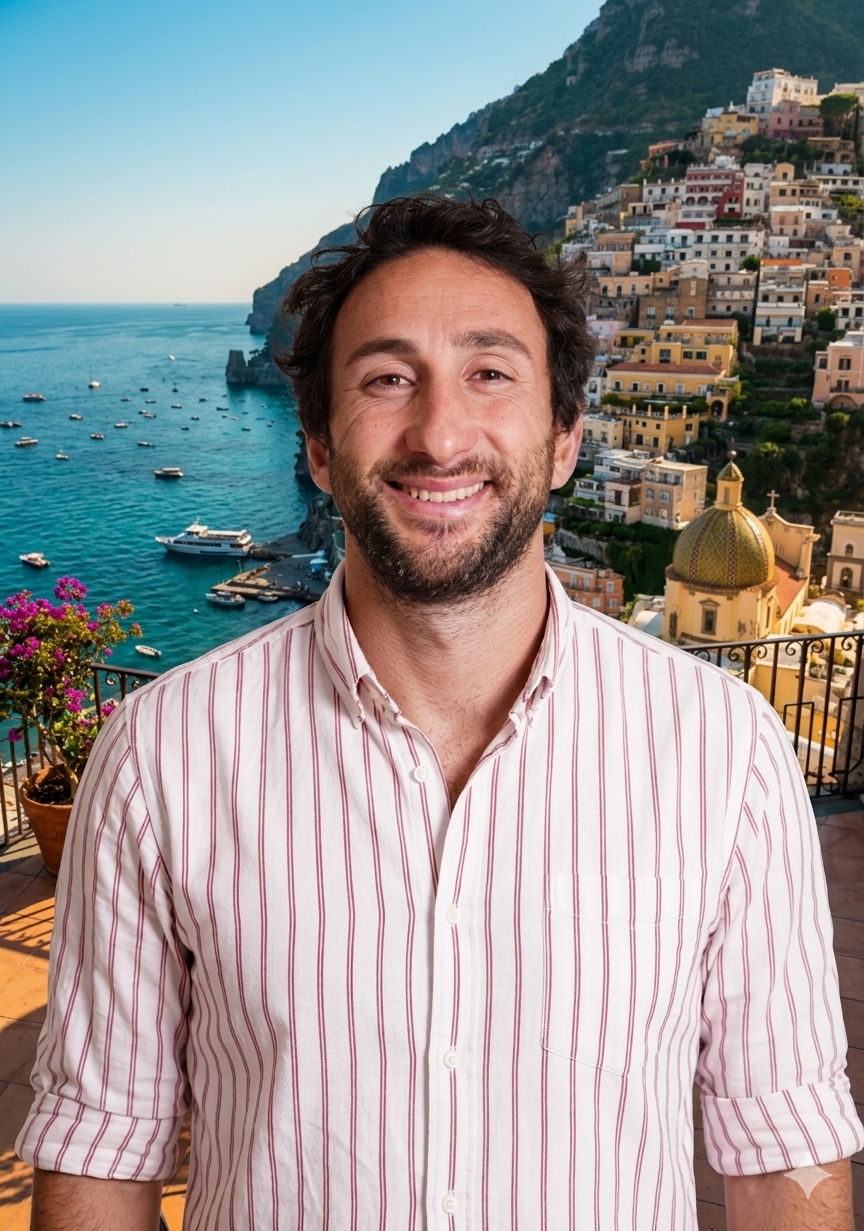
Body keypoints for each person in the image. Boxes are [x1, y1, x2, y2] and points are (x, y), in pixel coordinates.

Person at [20, 195, 862, 1229]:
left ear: (565, 436)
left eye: (490, 373)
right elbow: (99, 1159)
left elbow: (786, 1160)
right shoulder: (160, 756)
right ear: (319, 445)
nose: (440, 433)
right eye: (387, 379)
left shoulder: (726, 755)